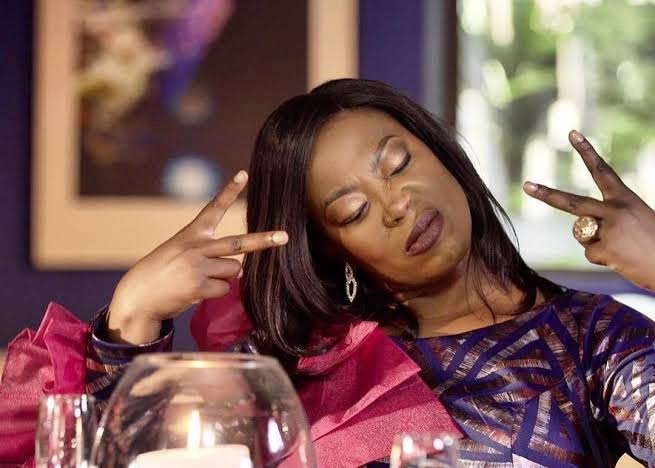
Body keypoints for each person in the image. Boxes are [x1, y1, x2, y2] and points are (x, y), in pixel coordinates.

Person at [2, 79, 655, 467]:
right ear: (336, 249)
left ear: (442, 153)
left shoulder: (593, 339)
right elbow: (94, 454)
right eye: (352, 210)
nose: (396, 205)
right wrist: (133, 313)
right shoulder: (294, 363)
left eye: (397, 164)